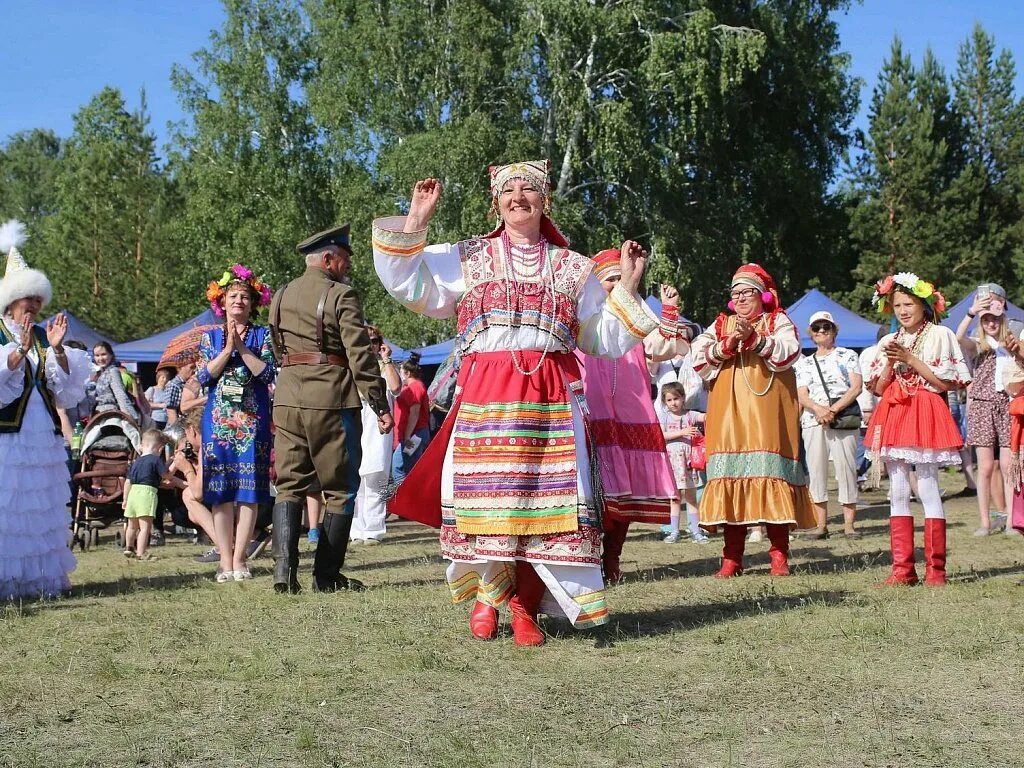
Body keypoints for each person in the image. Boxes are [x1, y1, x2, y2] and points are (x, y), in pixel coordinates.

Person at [373, 163, 657, 646]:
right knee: (491, 502)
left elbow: (602, 339)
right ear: (495, 202)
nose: (518, 196)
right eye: (509, 189)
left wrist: (627, 286)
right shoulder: (471, 256)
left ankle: (524, 607)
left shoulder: (573, 267)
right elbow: (409, 285)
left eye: (529, 188)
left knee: (541, 507)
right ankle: (489, 593)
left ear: (546, 200)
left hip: (550, 399)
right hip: (488, 394)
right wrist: (416, 222)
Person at [269, 224, 393, 593]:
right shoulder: (341, 295)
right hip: (331, 399)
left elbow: (278, 347)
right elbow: (360, 355)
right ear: (328, 259)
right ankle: (326, 576)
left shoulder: (281, 294)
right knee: (340, 489)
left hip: (288, 397)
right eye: (344, 260)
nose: (347, 268)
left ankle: (283, 576)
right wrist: (379, 402)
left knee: (289, 485)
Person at [690, 263, 815, 578]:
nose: (741, 298)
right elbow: (697, 359)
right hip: (728, 414)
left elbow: (789, 352)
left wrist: (757, 340)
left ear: (762, 296)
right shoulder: (722, 324)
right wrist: (728, 344)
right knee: (732, 478)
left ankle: (778, 557)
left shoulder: (777, 320)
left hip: (768, 414)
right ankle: (731, 559)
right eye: (736, 294)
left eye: (747, 292)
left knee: (770, 477)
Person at [577, 254, 686, 582]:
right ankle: (590, 561)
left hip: (629, 411)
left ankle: (611, 558)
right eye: (608, 280)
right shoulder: (585, 316)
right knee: (592, 492)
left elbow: (663, 348)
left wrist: (668, 311)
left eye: (617, 278)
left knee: (621, 493)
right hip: (592, 413)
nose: (613, 286)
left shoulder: (638, 314)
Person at [0, 220, 89, 600]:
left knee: (39, 505)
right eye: (27, 301)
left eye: (38, 301)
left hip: (41, 430)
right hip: (9, 435)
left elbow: (63, 388)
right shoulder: (3, 334)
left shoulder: (41, 335)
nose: (34, 307)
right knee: (11, 505)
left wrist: (57, 349)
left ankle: (37, 580)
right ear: (10, 302)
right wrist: (18, 350)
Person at [865, 273, 970, 586]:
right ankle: (902, 569)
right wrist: (890, 362)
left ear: (924, 305)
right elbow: (880, 388)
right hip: (894, 410)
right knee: (897, 487)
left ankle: (935, 570)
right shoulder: (889, 340)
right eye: (896, 304)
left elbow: (944, 382)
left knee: (926, 485)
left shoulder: (939, 334)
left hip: (924, 409)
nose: (902, 310)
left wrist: (911, 359)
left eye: (908, 303)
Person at [197, 263, 276, 583]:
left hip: (252, 422)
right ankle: (224, 559)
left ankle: (241, 557)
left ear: (253, 303)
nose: (239, 302)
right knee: (220, 492)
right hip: (218, 425)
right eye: (233, 296)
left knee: (249, 492)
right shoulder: (210, 338)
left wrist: (241, 348)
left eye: (244, 297)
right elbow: (204, 376)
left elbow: (268, 373)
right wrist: (227, 348)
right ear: (222, 302)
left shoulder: (262, 335)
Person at [794, 311, 863, 539]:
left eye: (826, 327)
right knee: (816, 471)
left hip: (842, 418)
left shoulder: (848, 355)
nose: (822, 331)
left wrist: (832, 410)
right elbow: (802, 394)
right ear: (811, 334)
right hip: (813, 420)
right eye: (817, 328)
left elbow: (855, 387)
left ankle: (849, 525)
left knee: (846, 469)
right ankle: (820, 525)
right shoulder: (804, 363)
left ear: (834, 330)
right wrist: (818, 410)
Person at [956, 284, 1013, 536]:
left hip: (1007, 405)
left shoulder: (1011, 343)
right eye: (986, 318)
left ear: (1002, 318)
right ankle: (985, 523)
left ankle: (1013, 521)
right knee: (986, 466)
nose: (990, 323)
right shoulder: (978, 344)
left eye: (994, 318)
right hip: (981, 405)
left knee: (1011, 466)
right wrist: (970, 313)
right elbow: (958, 338)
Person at [351, 326, 401, 544]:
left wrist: (386, 359)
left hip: (378, 427)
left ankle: (373, 529)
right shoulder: (352, 366)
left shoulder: (384, 367)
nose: (369, 345)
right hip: (356, 424)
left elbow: (396, 388)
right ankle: (355, 530)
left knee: (376, 479)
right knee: (355, 480)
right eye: (365, 341)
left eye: (373, 341)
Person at [659, 381, 708, 544]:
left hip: (688, 464)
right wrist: (682, 432)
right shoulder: (664, 418)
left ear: (683, 398)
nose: (674, 403)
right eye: (669, 400)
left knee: (691, 499)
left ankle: (696, 530)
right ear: (665, 402)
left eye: (676, 398)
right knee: (675, 499)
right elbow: (661, 435)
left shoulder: (691, 415)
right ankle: (674, 531)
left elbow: (707, 416)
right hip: (673, 464)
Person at [122, 429, 177, 561]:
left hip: (133, 493)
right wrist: (174, 465)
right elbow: (165, 476)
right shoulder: (155, 459)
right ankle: (141, 552)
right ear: (160, 449)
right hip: (147, 494)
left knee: (132, 526)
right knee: (145, 527)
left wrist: (125, 499)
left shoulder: (136, 462)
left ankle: (129, 548)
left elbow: (127, 482)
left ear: (142, 445)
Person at [392, 353, 430, 485]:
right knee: (407, 466)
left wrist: (407, 437)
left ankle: (404, 497)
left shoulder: (414, 388)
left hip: (415, 435)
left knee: (399, 466)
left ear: (407, 373)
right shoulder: (416, 386)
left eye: (401, 372)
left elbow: (414, 413)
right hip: (416, 434)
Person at [92, 341, 140, 421]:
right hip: (99, 413)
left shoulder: (113, 371)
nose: (100, 358)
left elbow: (120, 393)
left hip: (110, 414)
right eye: (97, 355)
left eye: (103, 354)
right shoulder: (100, 373)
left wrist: (130, 416)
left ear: (111, 355)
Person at [164, 361, 195, 425]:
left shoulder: (187, 384)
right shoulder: (174, 385)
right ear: (180, 368)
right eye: (191, 367)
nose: (194, 370)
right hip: (179, 426)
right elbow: (171, 411)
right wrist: (177, 430)